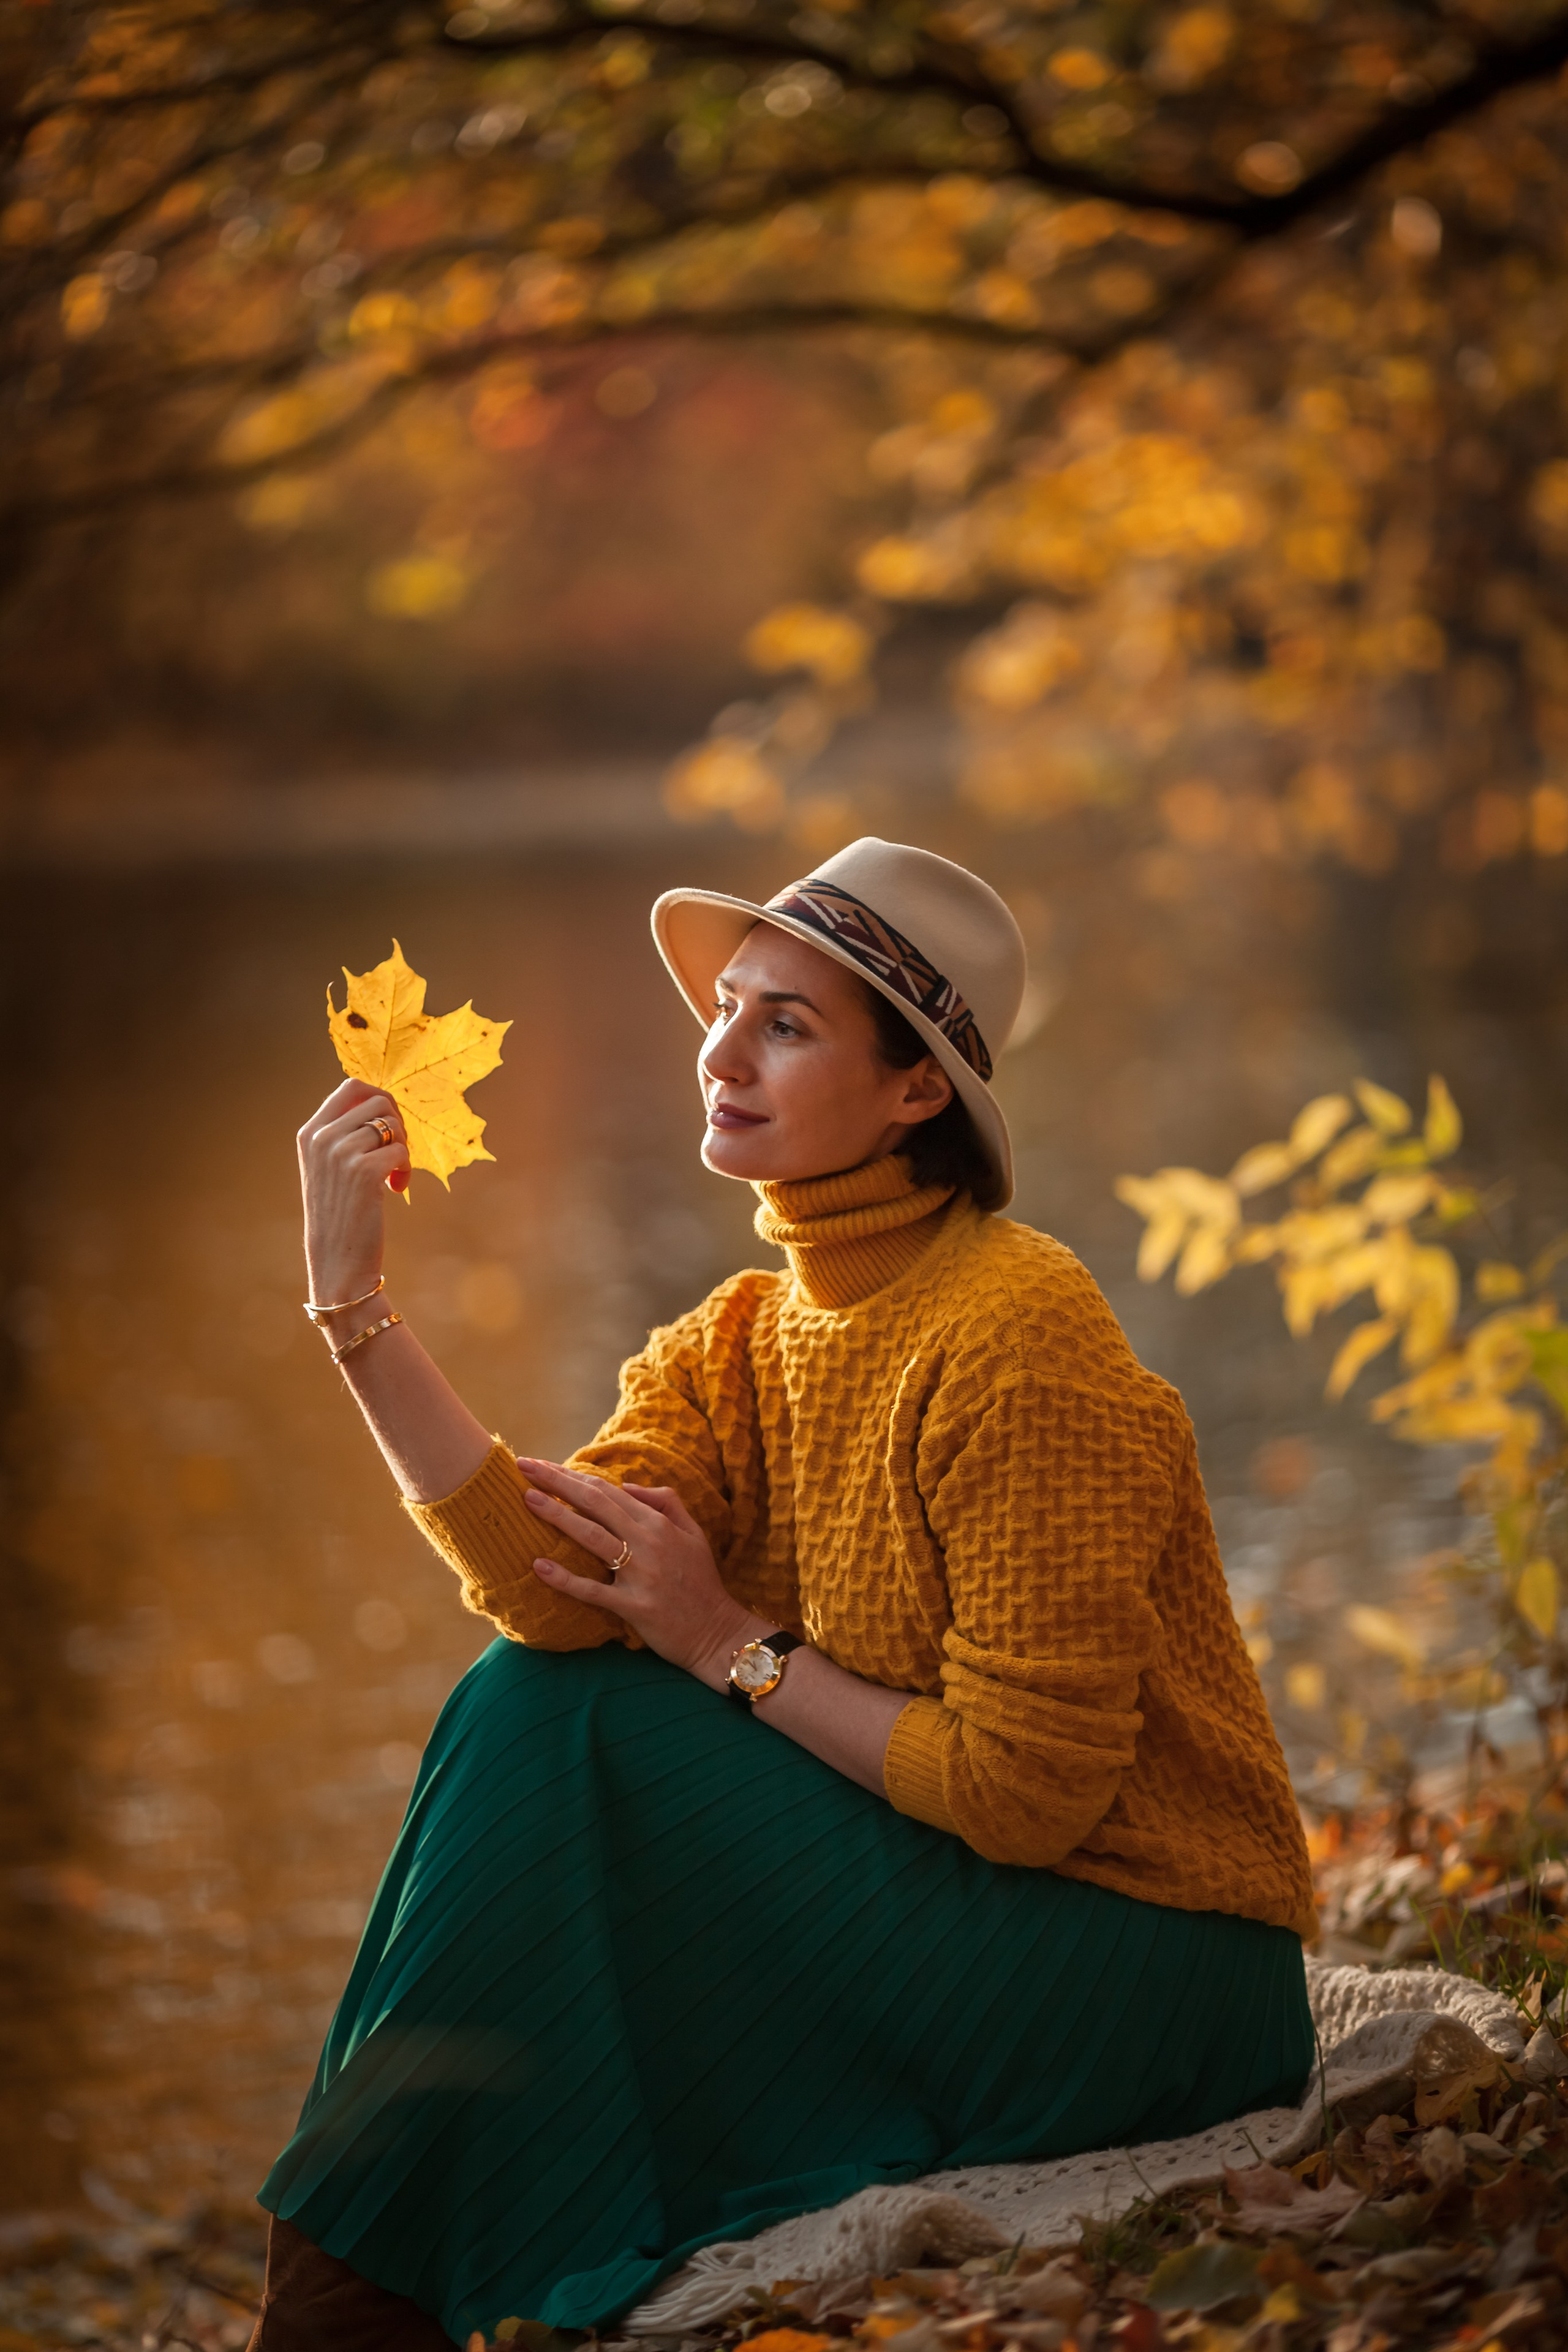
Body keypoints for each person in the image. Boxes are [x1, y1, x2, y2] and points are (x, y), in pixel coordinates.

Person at [249, 838, 1316, 2351]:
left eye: (785, 1024)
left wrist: (720, 1642)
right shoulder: (750, 1330)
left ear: (915, 1092)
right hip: (952, 1888)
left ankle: (344, 2302)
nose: (720, 1052)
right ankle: (359, 2292)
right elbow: (551, 1593)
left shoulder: (1017, 1337)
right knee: (534, 1694)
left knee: (564, 1729)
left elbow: (1026, 1798)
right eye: (729, 1006)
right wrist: (353, 1310)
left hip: (1144, 1962)